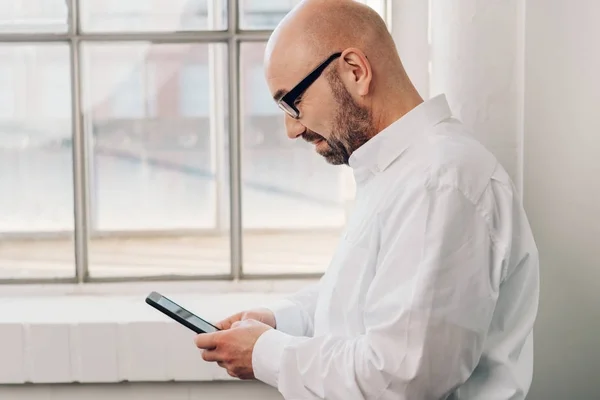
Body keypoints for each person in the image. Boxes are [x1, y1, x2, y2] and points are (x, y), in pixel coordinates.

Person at [194, 0, 540, 398]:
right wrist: (279, 321)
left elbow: (400, 378)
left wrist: (266, 353)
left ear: (355, 71)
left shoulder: (441, 183)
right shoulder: (402, 172)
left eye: (292, 102)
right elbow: (371, 302)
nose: (291, 129)